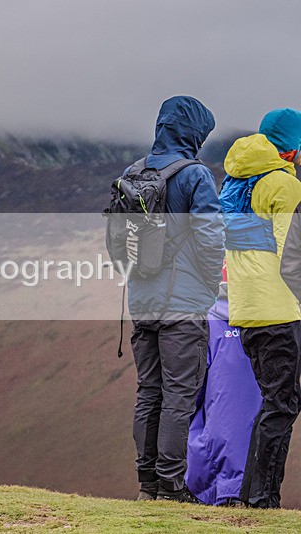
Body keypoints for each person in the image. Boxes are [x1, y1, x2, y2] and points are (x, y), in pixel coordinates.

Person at [126, 96, 224, 502]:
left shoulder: (134, 172)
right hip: (182, 304)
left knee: (149, 391)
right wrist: (207, 285)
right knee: (179, 393)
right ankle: (171, 485)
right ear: (194, 132)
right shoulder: (195, 175)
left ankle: (148, 484)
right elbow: (210, 237)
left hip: (140, 298)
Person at [220, 107, 301, 508]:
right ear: (291, 148)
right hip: (281, 310)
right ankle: (261, 499)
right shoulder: (283, 186)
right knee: (282, 404)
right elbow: (294, 255)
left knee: (275, 403)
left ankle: (253, 494)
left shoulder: (236, 181)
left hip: (247, 309)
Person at [185, 264, 262, 505]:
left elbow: (192, 392)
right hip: (256, 468)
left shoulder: (208, 320)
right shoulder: (273, 320)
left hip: (215, 463)